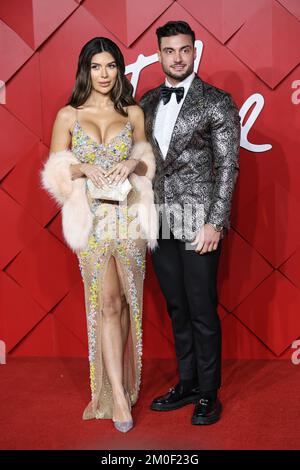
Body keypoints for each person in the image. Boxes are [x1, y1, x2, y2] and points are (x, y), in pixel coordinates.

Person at [41, 37, 157, 433]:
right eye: (96, 67)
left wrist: (131, 162)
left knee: (126, 304)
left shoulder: (134, 113)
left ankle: (121, 382)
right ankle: (117, 399)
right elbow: (54, 170)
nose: (104, 75)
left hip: (129, 221)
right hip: (91, 220)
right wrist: (82, 169)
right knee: (106, 303)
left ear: (119, 69)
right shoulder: (68, 115)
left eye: (110, 66)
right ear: (85, 70)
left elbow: (148, 166)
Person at [140, 21, 241, 425]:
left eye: (184, 50)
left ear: (195, 51)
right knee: (177, 307)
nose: (177, 58)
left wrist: (215, 222)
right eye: (169, 51)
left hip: (200, 223)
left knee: (201, 309)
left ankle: (208, 393)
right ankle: (187, 381)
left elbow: (228, 167)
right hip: (160, 219)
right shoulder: (146, 101)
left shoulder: (216, 101)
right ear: (159, 54)